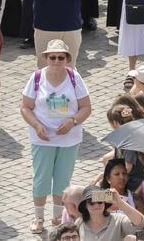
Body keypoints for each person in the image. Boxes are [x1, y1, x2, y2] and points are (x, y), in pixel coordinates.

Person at [20, 39, 91, 233]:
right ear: (46, 58)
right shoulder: (37, 78)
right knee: (41, 179)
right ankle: (38, 217)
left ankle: (59, 216)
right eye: (53, 57)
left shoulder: (74, 77)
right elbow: (25, 107)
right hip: (43, 138)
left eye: (61, 57)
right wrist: (36, 125)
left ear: (67, 58)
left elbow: (86, 107)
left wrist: (72, 121)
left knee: (62, 179)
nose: (57, 61)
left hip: (69, 138)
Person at [76, 184, 144, 240]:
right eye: (91, 203)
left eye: (100, 202)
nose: (96, 205)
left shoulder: (118, 219)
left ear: (104, 203)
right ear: (85, 206)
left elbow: (139, 223)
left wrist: (119, 201)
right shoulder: (79, 223)